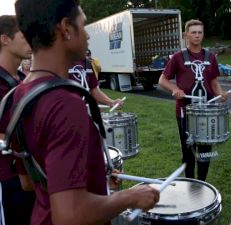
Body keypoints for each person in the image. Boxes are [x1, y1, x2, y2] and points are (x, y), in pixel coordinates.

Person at [13, 1, 160, 224]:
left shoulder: (19, 93)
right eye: (83, 25)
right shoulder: (65, 104)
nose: (88, 36)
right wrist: (130, 196)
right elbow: (69, 216)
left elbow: (30, 181)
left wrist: (95, 179)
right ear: (66, 29)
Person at [159, 19, 229, 181]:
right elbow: (162, 80)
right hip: (185, 111)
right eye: (193, 32)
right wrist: (175, 89)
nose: (197, 35)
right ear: (186, 35)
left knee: (205, 150)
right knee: (188, 150)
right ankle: (190, 183)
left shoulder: (210, 57)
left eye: (200, 32)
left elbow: (213, 82)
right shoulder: (178, 57)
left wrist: (221, 93)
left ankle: (202, 184)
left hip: (207, 111)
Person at [0, 14, 36, 225]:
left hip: (30, 175)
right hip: (7, 179)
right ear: (5, 39)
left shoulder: (21, 80)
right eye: (24, 35)